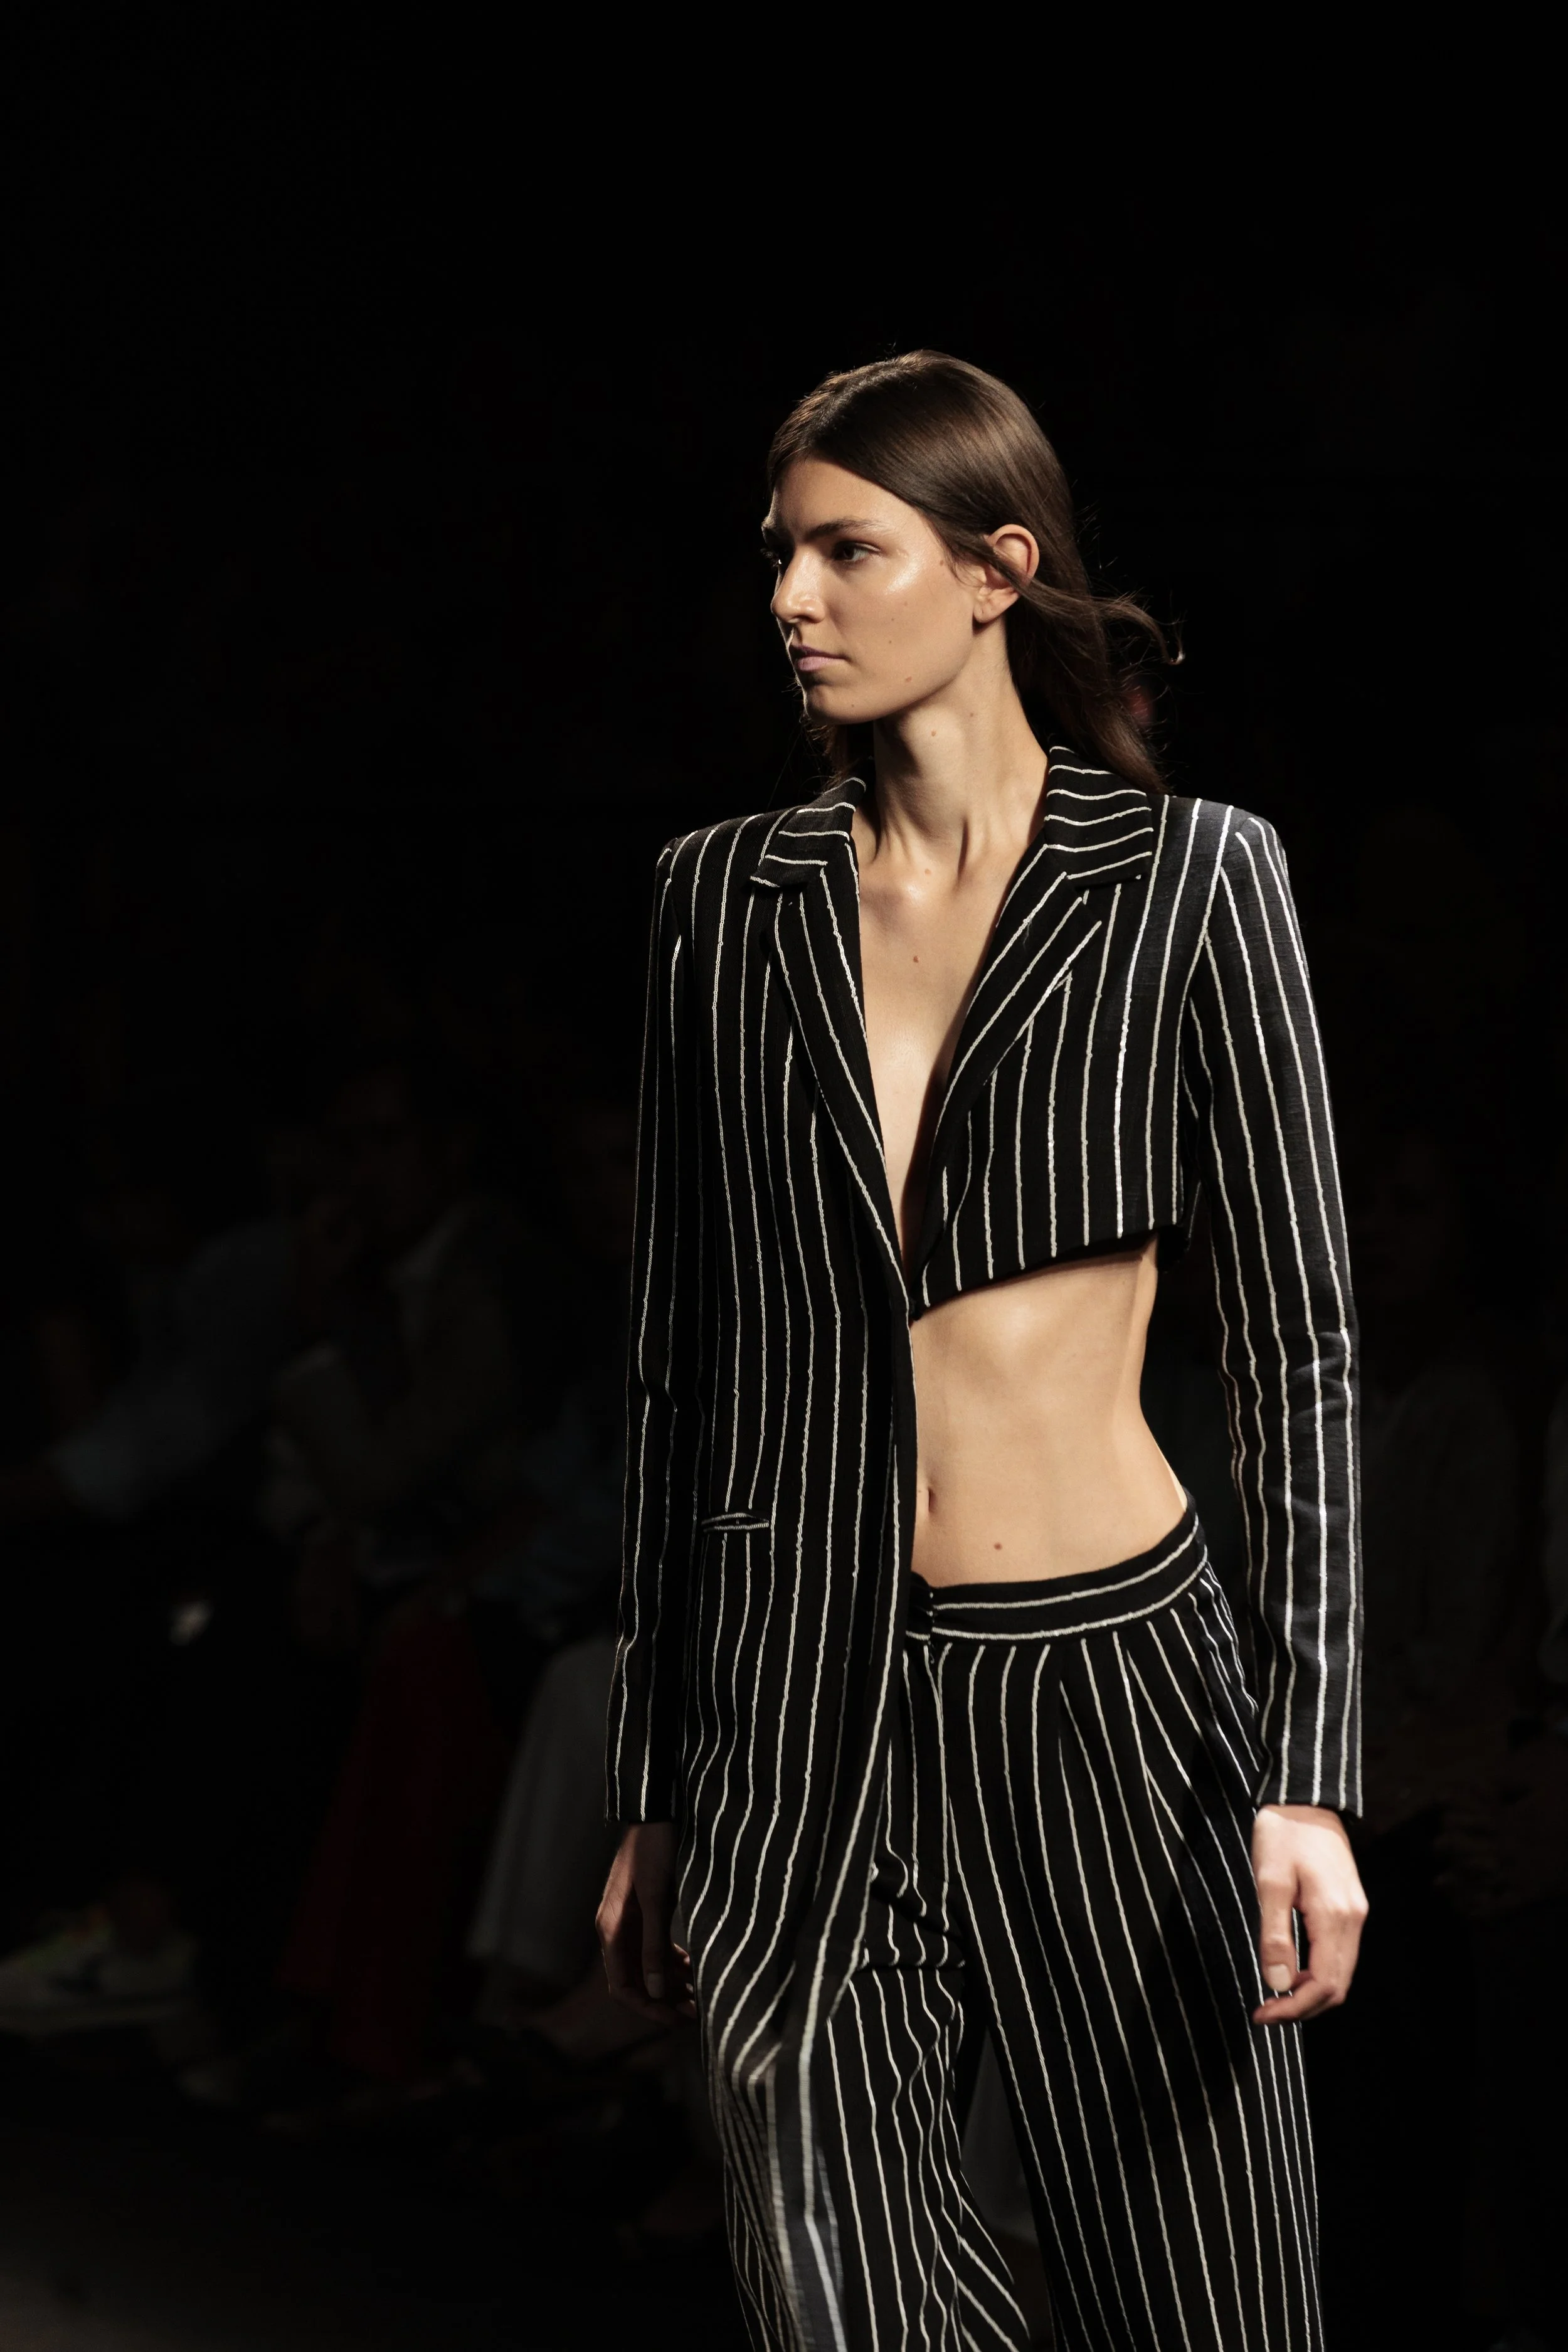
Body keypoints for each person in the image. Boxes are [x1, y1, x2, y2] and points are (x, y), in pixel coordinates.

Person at [596, 353, 1368, 2352]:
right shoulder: (719, 905)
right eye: (779, 555)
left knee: (1205, 2301)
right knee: (839, 2306)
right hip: (796, 1718)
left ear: (997, 566)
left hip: (1110, 1685)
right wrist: (662, 1774)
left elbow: (1295, 1343)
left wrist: (1305, 1774)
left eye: (849, 551)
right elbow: (683, 1361)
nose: (791, 598)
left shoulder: (1200, 883)